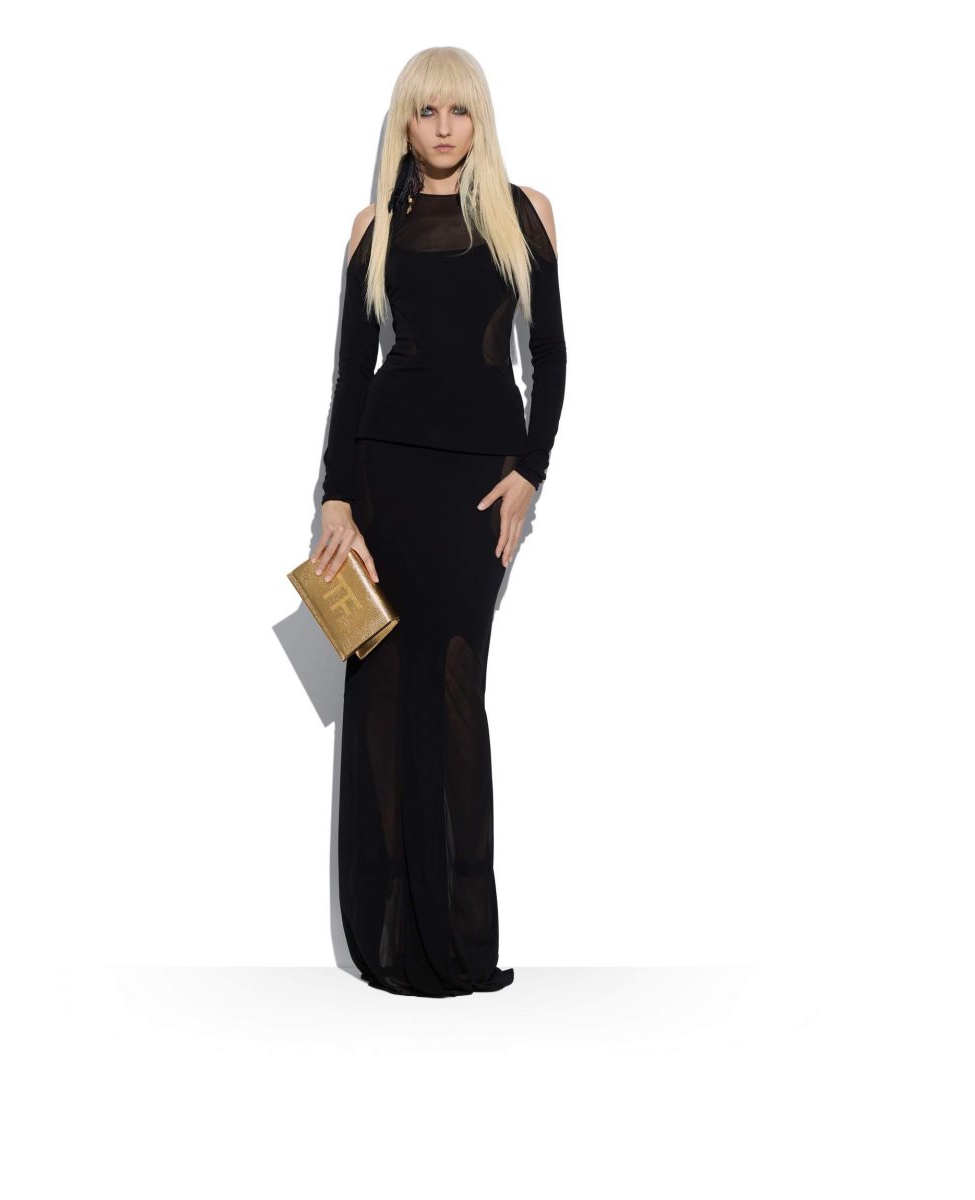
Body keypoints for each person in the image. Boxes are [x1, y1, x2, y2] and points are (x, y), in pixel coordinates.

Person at [311, 46, 567, 997]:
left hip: (476, 490)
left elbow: (552, 356)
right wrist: (336, 497)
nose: (444, 127)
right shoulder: (374, 226)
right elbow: (351, 374)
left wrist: (530, 474)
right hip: (385, 480)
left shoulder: (525, 213)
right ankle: (388, 938)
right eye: (426, 111)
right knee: (382, 694)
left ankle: (457, 934)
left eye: (459, 110)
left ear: (479, 118)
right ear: (406, 123)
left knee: (455, 683)